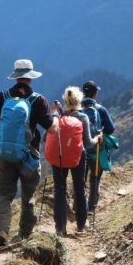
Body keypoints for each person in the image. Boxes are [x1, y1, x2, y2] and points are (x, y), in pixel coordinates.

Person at [0, 59, 59, 246]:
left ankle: (1, 230)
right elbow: (52, 130)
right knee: (28, 196)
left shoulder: (2, 97)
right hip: (28, 156)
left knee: (4, 195)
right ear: (30, 78)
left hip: (5, 154)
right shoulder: (38, 100)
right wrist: (55, 114)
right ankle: (24, 234)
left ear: (16, 77)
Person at [50, 87, 102, 236]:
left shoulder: (58, 117)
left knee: (59, 189)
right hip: (78, 157)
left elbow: (47, 136)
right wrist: (97, 139)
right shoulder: (82, 117)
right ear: (79, 101)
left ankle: (60, 227)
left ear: (65, 101)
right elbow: (87, 143)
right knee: (79, 188)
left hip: (59, 157)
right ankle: (81, 224)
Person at [81, 81, 115, 212]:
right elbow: (111, 129)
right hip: (96, 149)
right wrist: (100, 133)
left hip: (81, 150)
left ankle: (79, 206)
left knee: (81, 179)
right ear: (95, 93)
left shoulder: (77, 109)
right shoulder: (100, 109)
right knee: (95, 178)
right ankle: (91, 207)